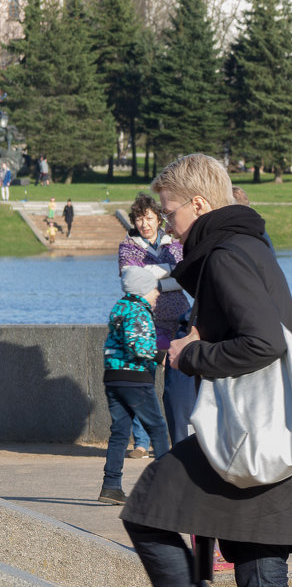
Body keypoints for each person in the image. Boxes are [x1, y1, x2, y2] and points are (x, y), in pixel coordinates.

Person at [120, 153, 292, 587]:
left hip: (253, 435)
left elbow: (261, 342)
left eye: (170, 213)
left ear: (198, 203)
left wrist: (190, 353)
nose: (166, 224)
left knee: (150, 505)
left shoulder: (225, 255)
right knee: (262, 584)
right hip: (265, 433)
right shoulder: (246, 245)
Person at [118, 193, 191, 451]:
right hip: (146, 321)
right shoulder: (128, 245)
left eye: (148, 217)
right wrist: (169, 272)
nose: (144, 223)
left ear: (158, 218)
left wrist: (152, 277)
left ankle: (181, 436)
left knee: (180, 381)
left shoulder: (174, 243)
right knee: (143, 381)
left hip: (179, 319)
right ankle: (141, 442)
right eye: (139, 219)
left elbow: (185, 276)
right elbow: (130, 278)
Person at [99, 267, 172, 505]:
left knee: (120, 431)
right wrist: (161, 356)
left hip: (113, 377)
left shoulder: (119, 307)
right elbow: (138, 347)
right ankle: (167, 486)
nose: (157, 295)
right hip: (135, 379)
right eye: (154, 289)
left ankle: (111, 486)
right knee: (158, 428)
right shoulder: (138, 311)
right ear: (142, 290)